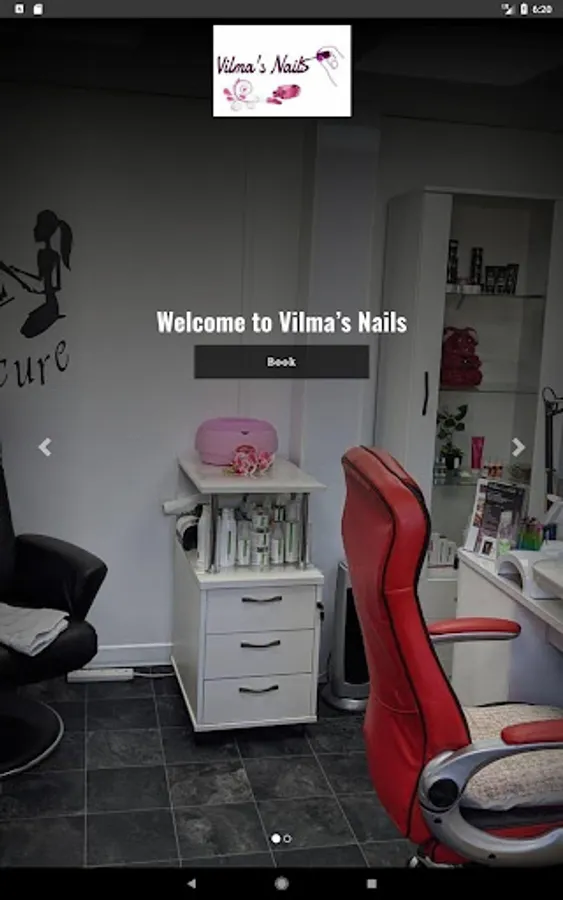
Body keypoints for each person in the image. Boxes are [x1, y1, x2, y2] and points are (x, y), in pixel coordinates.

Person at [0, 209, 73, 339]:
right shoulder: (42, 254)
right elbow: (39, 279)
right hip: (47, 304)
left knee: (25, 332)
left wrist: (37, 289)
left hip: (50, 307)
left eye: (38, 225)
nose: (34, 229)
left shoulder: (52, 255)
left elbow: (56, 286)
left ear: (47, 230)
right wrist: (19, 272)